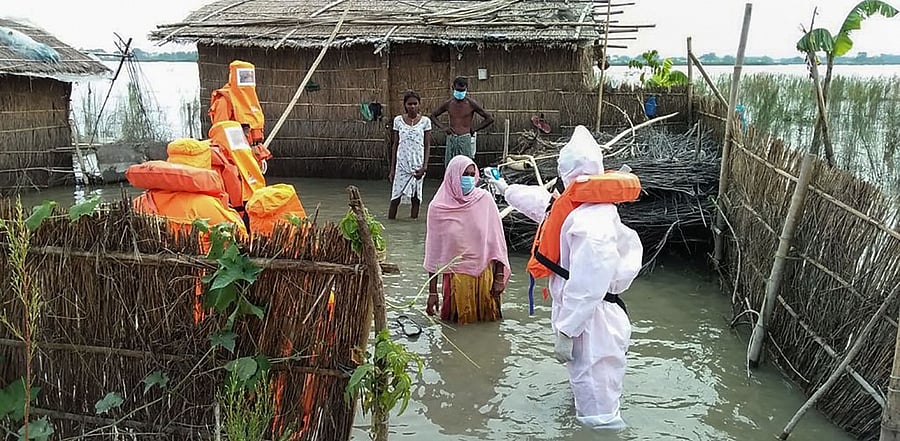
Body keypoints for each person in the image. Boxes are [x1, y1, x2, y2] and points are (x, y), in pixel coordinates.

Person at [485, 125, 643, 430]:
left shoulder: (592, 221)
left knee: (599, 415)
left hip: (593, 322)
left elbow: (589, 284)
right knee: (585, 389)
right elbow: (538, 203)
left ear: (566, 171)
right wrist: (504, 188)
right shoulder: (572, 206)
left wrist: (568, 330)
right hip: (585, 317)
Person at [424, 155, 510, 324]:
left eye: (472, 174)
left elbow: (497, 241)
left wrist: (499, 277)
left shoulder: (484, 200)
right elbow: (433, 253)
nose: (469, 179)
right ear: (453, 176)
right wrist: (432, 292)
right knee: (458, 325)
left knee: (488, 324)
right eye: (465, 174)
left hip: (486, 278)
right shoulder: (438, 208)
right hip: (456, 281)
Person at [430, 77, 495, 167]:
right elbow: (433, 116)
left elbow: (489, 118)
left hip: (465, 139)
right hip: (452, 138)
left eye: (462, 90)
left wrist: (475, 129)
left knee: (466, 166)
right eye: (458, 90)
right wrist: (444, 128)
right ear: (453, 88)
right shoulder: (449, 103)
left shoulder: (471, 103)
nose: (460, 93)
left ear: (466, 89)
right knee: (450, 166)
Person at [389, 90, 432, 220]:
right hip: (402, 165)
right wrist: (392, 169)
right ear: (405, 105)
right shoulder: (398, 121)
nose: (412, 106)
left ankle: (413, 223)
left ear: (419, 105)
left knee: (416, 198)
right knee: (395, 198)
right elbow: (395, 144)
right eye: (409, 104)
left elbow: (427, 145)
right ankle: (391, 222)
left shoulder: (425, 121)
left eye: (415, 103)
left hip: (418, 165)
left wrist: (424, 167)